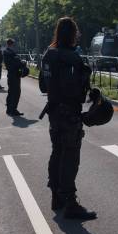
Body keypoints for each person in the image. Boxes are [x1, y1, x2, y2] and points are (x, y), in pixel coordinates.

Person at [39, 17, 96, 220]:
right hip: (70, 112)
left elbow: (43, 86)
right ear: (73, 34)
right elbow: (80, 89)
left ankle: (56, 195)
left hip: (54, 112)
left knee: (57, 152)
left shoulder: (48, 54)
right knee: (70, 156)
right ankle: (70, 202)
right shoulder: (72, 57)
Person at [3, 39, 25, 116]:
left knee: (11, 92)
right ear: (11, 45)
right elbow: (15, 62)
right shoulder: (9, 53)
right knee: (15, 93)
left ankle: (9, 109)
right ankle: (13, 110)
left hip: (12, 74)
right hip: (14, 75)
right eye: (13, 45)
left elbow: (15, 61)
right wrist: (22, 63)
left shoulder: (8, 52)